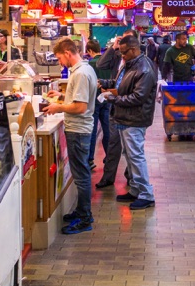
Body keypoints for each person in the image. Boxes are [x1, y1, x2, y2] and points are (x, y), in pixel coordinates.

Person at [43, 37, 98, 234]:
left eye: (59, 58)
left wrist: (58, 107)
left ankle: (85, 218)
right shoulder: (83, 69)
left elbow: (80, 107)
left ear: (67, 53)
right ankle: (81, 211)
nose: (60, 62)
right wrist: (60, 97)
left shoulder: (80, 74)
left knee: (82, 176)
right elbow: (77, 99)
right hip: (79, 129)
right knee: (80, 174)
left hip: (78, 130)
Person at [100, 34, 158, 210]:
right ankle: (135, 189)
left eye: (124, 53)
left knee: (136, 156)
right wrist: (104, 82)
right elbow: (120, 85)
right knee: (130, 157)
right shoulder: (129, 65)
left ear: (134, 50)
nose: (121, 56)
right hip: (125, 118)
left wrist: (112, 99)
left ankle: (146, 195)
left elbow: (138, 97)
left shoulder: (144, 69)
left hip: (135, 119)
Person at [86, 39, 119, 170]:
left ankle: (90, 159)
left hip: (94, 99)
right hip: (107, 98)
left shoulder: (90, 64)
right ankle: (109, 157)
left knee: (92, 131)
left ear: (89, 51)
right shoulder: (110, 62)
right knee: (107, 130)